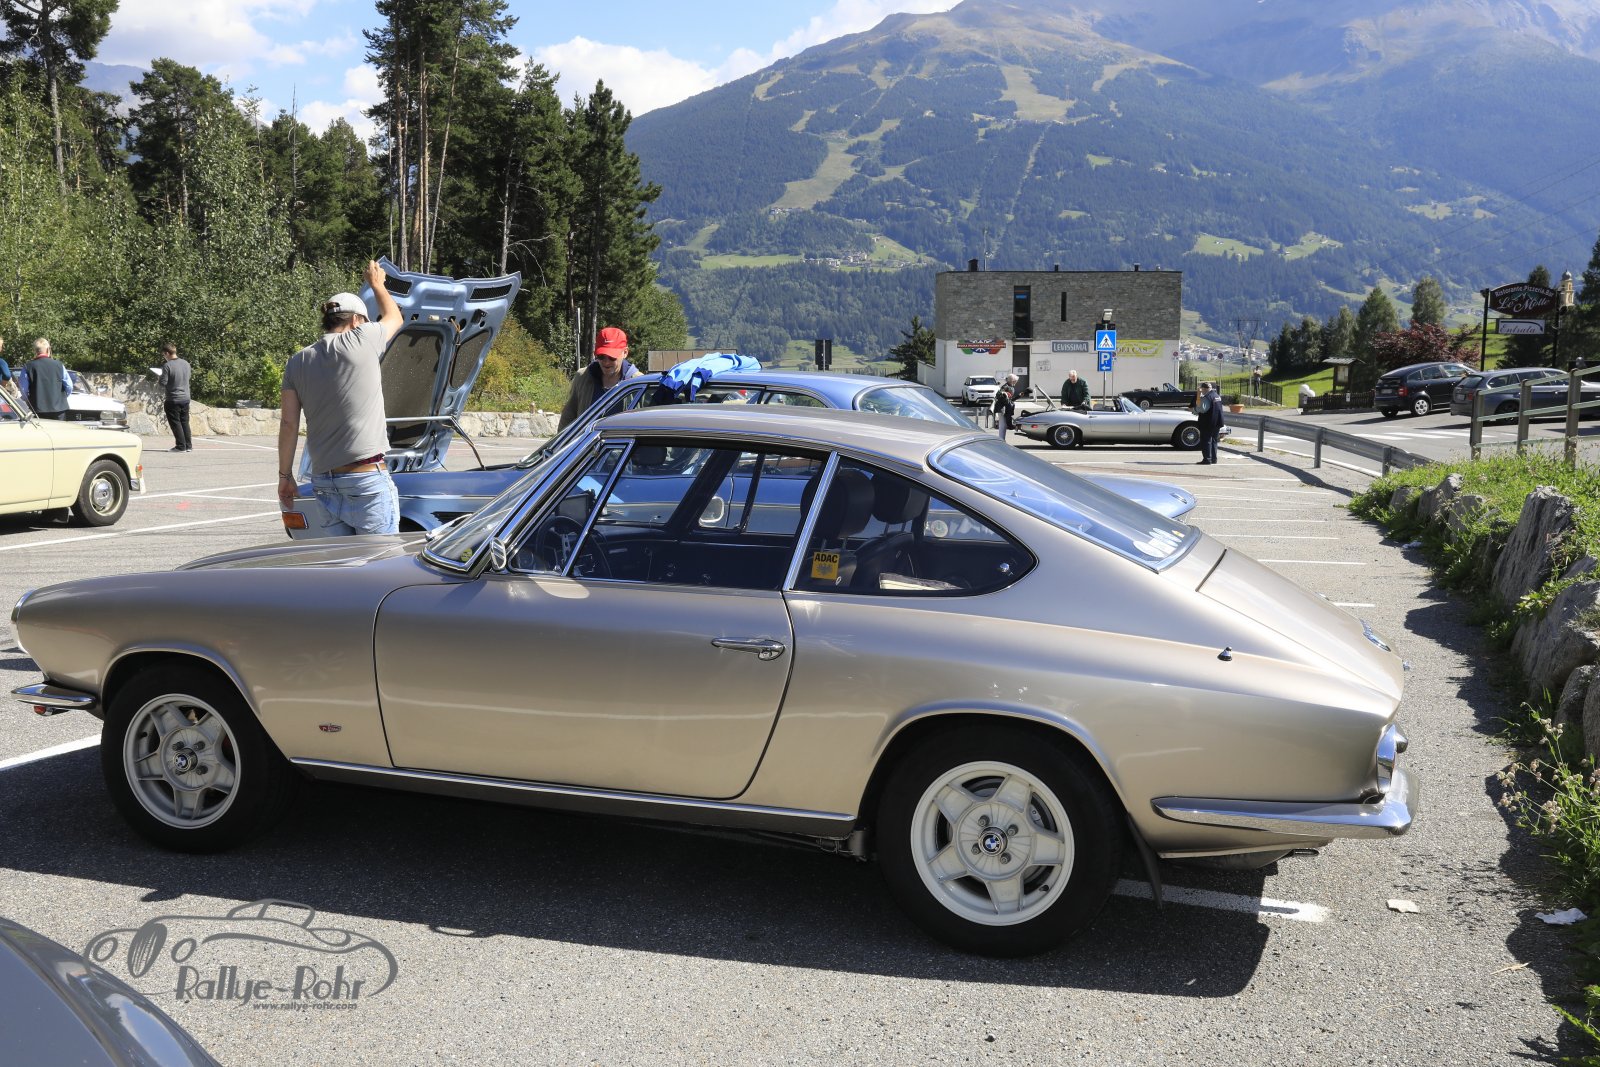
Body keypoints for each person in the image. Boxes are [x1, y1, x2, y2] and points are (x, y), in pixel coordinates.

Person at [277, 260, 404, 534]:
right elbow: (395, 318)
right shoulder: (362, 338)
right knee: (382, 560)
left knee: (343, 559)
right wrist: (377, 285)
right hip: (365, 480)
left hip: (324, 483)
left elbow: (288, 424)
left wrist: (285, 476)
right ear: (356, 320)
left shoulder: (297, 361)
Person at [558, 326, 642, 429]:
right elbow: (568, 416)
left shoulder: (638, 382)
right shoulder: (583, 377)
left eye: (612, 357)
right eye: (601, 356)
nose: (606, 362)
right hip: (588, 439)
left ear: (625, 353)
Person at [19, 337, 70, 419]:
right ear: (48, 350)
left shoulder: (28, 366)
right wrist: (61, 398)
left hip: (37, 409)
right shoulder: (59, 365)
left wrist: (28, 400)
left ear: (35, 351)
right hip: (59, 410)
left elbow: (23, 390)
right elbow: (69, 386)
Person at [156, 341, 192, 452]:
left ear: (167, 353)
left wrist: (159, 377)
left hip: (173, 398)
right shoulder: (186, 363)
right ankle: (188, 446)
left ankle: (180, 446)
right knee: (184, 422)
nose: (164, 357)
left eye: (163, 355)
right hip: (185, 397)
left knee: (176, 423)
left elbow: (163, 382)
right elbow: (187, 378)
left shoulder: (167, 366)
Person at [1195, 381, 1224, 464]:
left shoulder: (1206, 397)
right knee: (1214, 440)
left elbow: (1202, 409)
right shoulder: (1217, 396)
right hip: (1217, 422)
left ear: (1204, 389)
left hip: (1208, 422)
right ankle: (1214, 459)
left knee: (1206, 440)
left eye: (1202, 389)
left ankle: (1207, 459)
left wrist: (1194, 409)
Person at [992, 373, 1019, 440]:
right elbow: (998, 394)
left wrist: (1019, 396)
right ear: (1012, 381)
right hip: (1002, 408)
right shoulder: (1005, 386)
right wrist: (1004, 393)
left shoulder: (1011, 387)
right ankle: (1001, 439)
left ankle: (1002, 439)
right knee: (1003, 425)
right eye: (1015, 381)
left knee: (1004, 424)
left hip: (1006, 408)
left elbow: (1010, 400)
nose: (1016, 382)